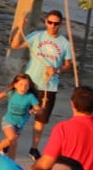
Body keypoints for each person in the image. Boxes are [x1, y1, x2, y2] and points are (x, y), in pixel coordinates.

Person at [12, 10, 75, 157]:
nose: (53, 26)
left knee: (40, 120)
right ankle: (11, 142)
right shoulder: (37, 36)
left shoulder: (65, 43)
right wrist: (19, 28)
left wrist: (57, 70)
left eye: (56, 23)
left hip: (49, 87)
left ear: (61, 24)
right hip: (29, 84)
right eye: (50, 22)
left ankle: (34, 148)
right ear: (46, 22)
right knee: (18, 115)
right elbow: (15, 45)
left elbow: (68, 65)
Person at [0, 73, 41, 158]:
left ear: (29, 86)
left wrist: (35, 110)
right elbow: (2, 95)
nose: (23, 88)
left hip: (20, 124)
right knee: (13, 140)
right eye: (21, 84)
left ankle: (2, 153)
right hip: (8, 121)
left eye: (26, 85)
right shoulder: (12, 93)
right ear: (15, 85)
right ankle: (6, 155)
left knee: (11, 142)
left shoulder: (30, 96)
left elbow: (38, 109)